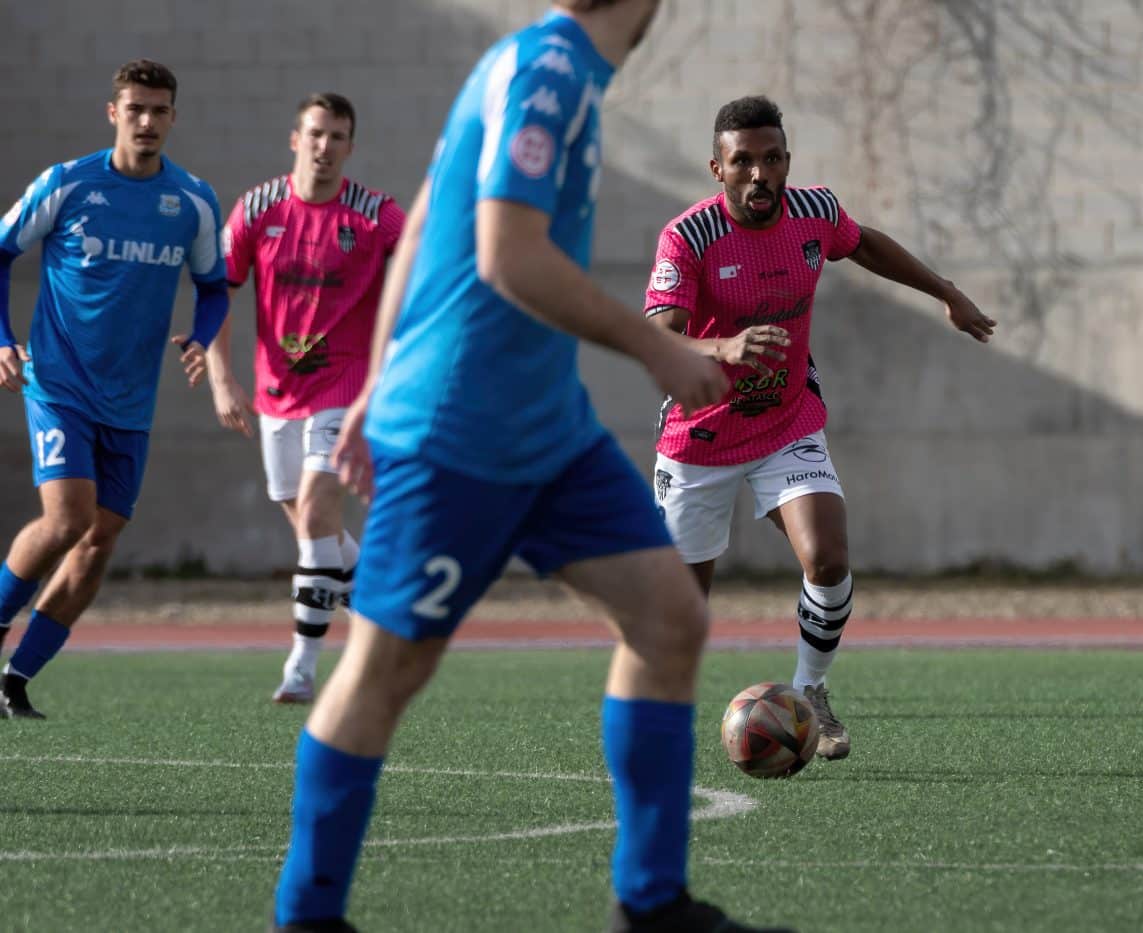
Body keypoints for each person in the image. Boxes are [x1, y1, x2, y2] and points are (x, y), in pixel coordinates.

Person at [269, 5, 791, 933]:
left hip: (546, 429)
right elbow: (505, 254)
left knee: (670, 617)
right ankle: (307, 917)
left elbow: (427, 217)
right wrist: (661, 351)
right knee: (386, 669)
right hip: (457, 431)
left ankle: (652, 902)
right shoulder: (545, 71)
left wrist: (373, 376)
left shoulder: (545, 68)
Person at [643, 95, 996, 761]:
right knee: (681, 618)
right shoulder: (687, 238)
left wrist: (945, 290)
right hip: (701, 440)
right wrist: (723, 349)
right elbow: (657, 336)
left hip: (785, 421)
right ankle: (658, 727)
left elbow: (865, 246)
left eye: (771, 159)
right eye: (742, 161)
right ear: (717, 169)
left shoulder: (814, 213)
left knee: (828, 557)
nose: (759, 175)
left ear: (786, 162)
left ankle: (810, 694)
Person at [0, 59, 228, 720]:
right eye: (136, 109)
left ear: (173, 117)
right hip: (59, 381)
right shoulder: (68, 184)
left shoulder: (191, 202)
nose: (148, 122)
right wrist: (4, 339)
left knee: (100, 539)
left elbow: (213, 285)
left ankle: (15, 679)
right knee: (68, 517)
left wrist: (202, 335)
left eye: (159, 110)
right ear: (113, 113)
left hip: (131, 401)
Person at [208, 92, 405, 704]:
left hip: (343, 391)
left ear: (350, 146)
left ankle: (301, 667)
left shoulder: (375, 215)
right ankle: (382, 615)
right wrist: (222, 378)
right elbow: (216, 292)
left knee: (318, 517)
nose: (325, 147)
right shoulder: (256, 209)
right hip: (274, 394)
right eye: (315, 134)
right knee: (313, 536)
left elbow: (427, 270)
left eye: (337, 137)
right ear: (296, 139)